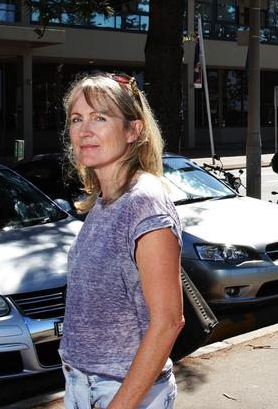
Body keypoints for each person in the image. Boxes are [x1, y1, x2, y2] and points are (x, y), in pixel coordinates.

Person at [58, 72, 185, 408]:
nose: (84, 130)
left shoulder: (144, 202)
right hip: (84, 384)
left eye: (100, 117)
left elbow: (169, 321)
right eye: (76, 119)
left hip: (123, 393)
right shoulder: (105, 199)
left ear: (133, 130)